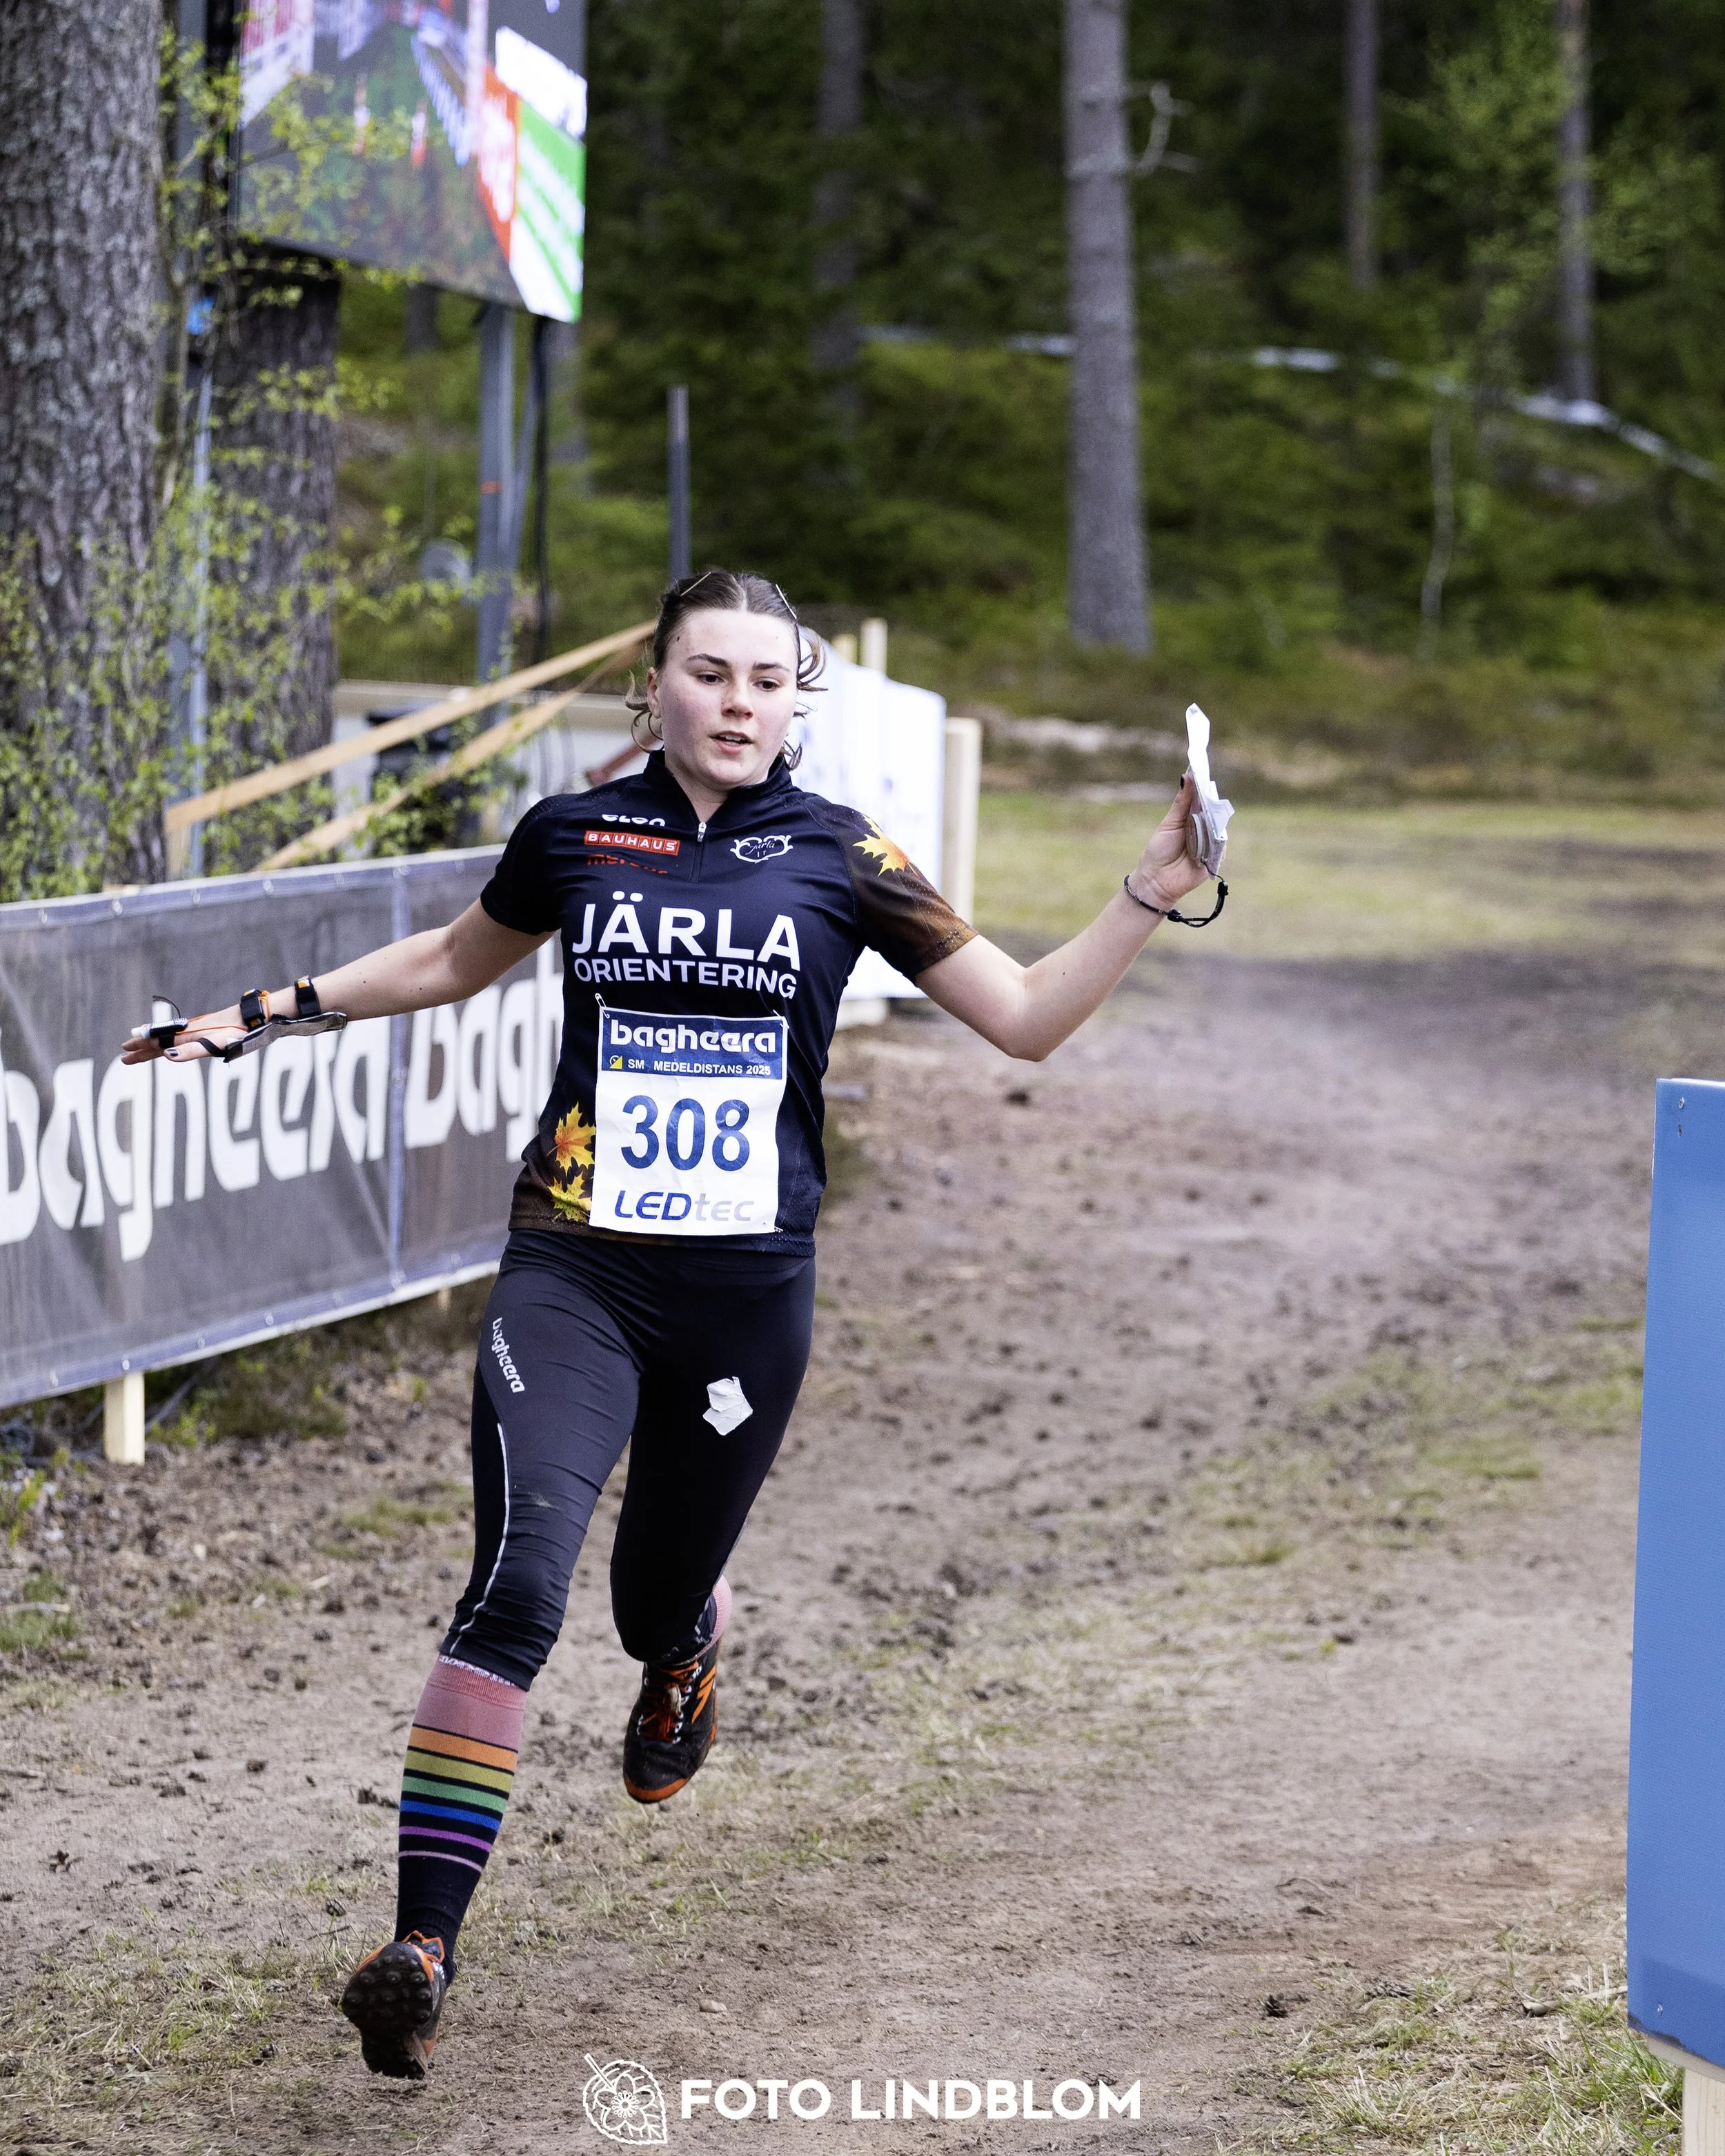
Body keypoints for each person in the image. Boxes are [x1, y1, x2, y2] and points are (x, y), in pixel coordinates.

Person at [120, 568, 1221, 2079]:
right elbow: (451, 960)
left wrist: (1146, 889)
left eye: (766, 681)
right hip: (572, 1265)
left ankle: (687, 1642)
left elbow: (1021, 1013)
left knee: (647, 1599)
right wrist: (264, 1010)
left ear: (793, 702)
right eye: (708, 673)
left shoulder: (844, 856)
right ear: (655, 686)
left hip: (742, 1294)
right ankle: (421, 1946)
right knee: (514, 1583)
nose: (736, 703)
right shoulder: (576, 833)